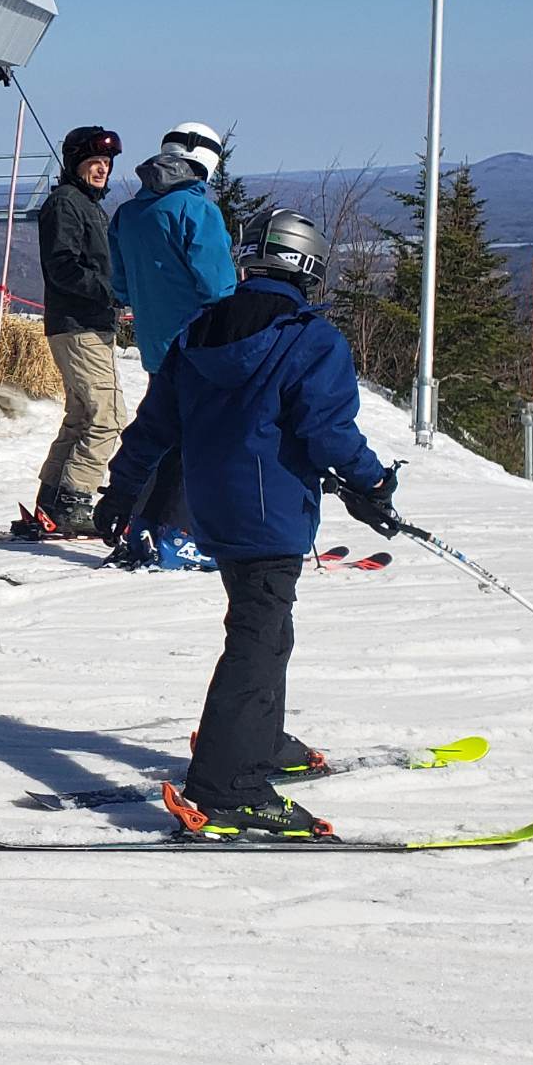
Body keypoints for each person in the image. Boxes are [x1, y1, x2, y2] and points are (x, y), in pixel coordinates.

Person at [95, 210, 396, 839]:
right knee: (257, 636)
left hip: (213, 506)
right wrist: (371, 483)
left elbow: (154, 428)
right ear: (310, 265)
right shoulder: (310, 339)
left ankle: (259, 737)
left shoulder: (199, 332)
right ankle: (228, 787)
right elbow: (327, 432)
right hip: (271, 512)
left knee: (266, 625)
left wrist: (120, 493)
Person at [107, 119, 237, 568]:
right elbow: (219, 288)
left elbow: (119, 286)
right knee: (197, 441)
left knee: (157, 434)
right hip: (202, 344)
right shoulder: (197, 211)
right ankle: (178, 534)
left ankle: (139, 524)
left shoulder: (128, 213)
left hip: (157, 346)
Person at [16, 126, 124, 538]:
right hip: (79, 323)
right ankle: (76, 498)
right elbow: (63, 266)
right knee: (107, 416)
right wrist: (110, 292)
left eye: (107, 163)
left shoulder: (85, 204)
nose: (102, 169)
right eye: (94, 162)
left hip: (85, 322)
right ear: (75, 164)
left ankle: (52, 498)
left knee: (81, 416)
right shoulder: (66, 204)